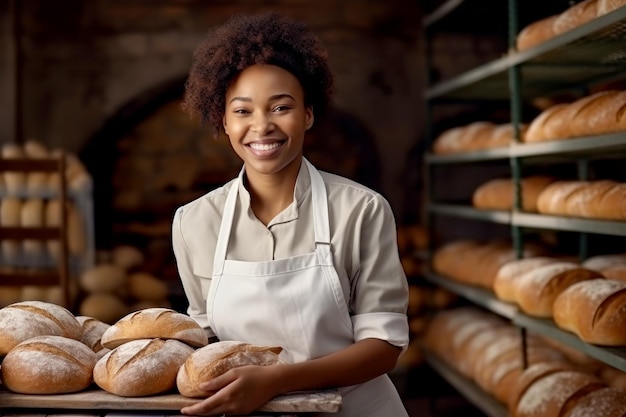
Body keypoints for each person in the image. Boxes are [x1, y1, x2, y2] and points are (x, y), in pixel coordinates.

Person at [172, 11, 410, 417]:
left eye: (281, 107)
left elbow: (384, 349)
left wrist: (277, 380)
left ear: (308, 115)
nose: (262, 127)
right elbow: (205, 341)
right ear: (223, 122)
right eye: (243, 111)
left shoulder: (361, 210)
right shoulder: (194, 222)